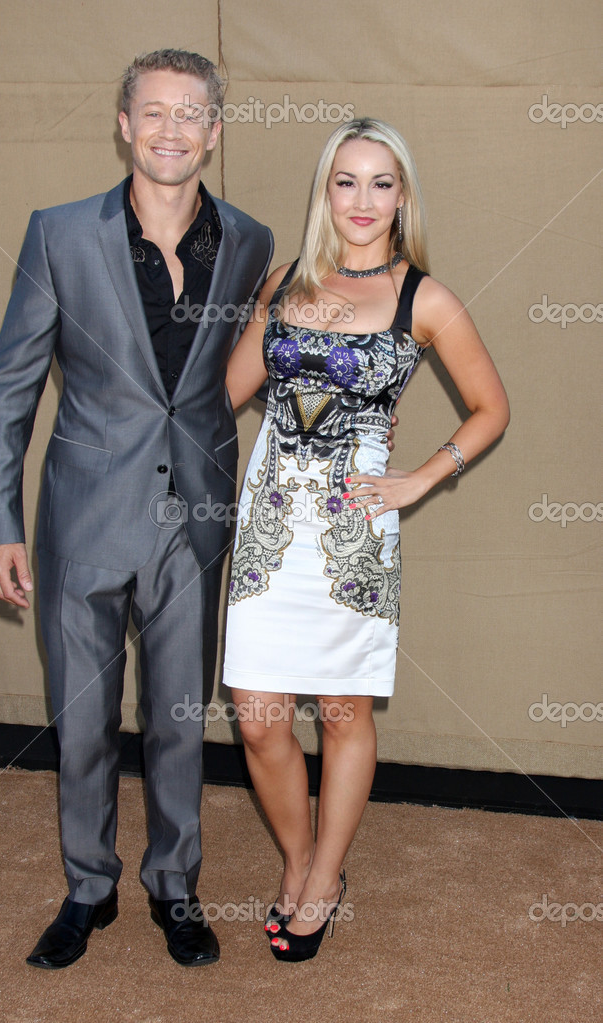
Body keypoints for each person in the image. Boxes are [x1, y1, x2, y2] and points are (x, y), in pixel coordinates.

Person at [0, 49, 275, 969]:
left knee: (181, 716)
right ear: (123, 124)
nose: (170, 129)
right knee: (84, 718)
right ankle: (88, 887)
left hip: (196, 520)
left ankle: (175, 886)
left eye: (191, 113)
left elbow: (243, 370)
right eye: (153, 111)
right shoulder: (59, 234)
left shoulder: (251, 242)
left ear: (214, 132)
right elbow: (9, 389)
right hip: (85, 518)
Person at [223, 117, 510, 962]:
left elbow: (492, 408)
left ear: (402, 195)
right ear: (326, 191)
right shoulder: (284, 282)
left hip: (353, 537)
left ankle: (322, 878)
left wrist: (422, 477)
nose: (362, 199)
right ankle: (298, 855)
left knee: (343, 711)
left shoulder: (427, 299)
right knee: (259, 718)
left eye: (381, 182)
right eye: (345, 180)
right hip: (269, 526)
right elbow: (221, 394)